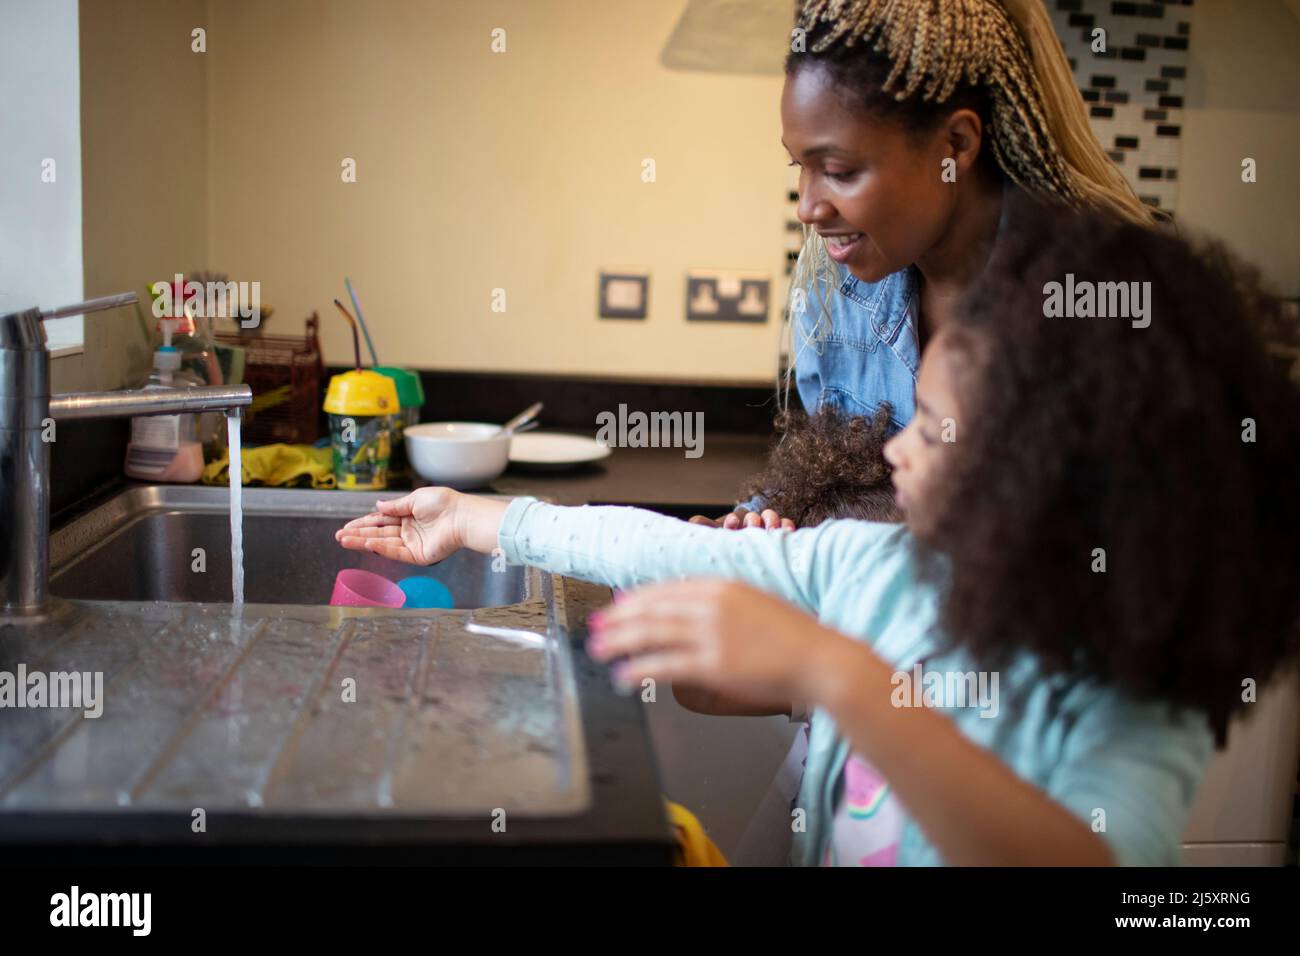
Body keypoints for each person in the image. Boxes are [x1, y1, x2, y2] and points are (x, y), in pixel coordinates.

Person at [338, 204, 1299, 865]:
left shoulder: (1133, 705)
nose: (899, 453)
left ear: (1052, 465)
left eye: (933, 426)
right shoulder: (874, 567)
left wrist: (836, 674)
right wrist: (474, 518)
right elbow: (667, 547)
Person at [697, 0, 1161, 531]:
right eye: (799, 166)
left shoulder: (1098, 305)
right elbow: (829, 481)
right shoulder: (836, 292)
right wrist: (751, 530)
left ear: (956, 144)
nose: (807, 207)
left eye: (840, 170)